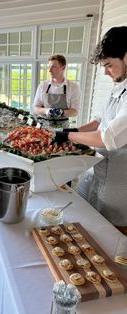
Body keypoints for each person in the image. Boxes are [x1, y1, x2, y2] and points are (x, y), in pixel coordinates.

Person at [54, 26, 127, 235]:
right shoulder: (119, 87)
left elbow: (108, 137)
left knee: (113, 240)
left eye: (109, 65)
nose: (105, 72)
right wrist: (76, 129)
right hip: (99, 172)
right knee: (92, 228)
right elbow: (100, 120)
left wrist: (68, 135)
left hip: (119, 186)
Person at [32, 54, 80, 128]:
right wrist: (46, 111)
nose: (49, 70)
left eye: (54, 67)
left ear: (63, 67)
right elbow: (35, 108)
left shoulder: (73, 87)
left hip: (62, 127)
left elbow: (74, 112)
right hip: (43, 126)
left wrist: (61, 112)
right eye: (49, 67)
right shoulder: (43, 85)